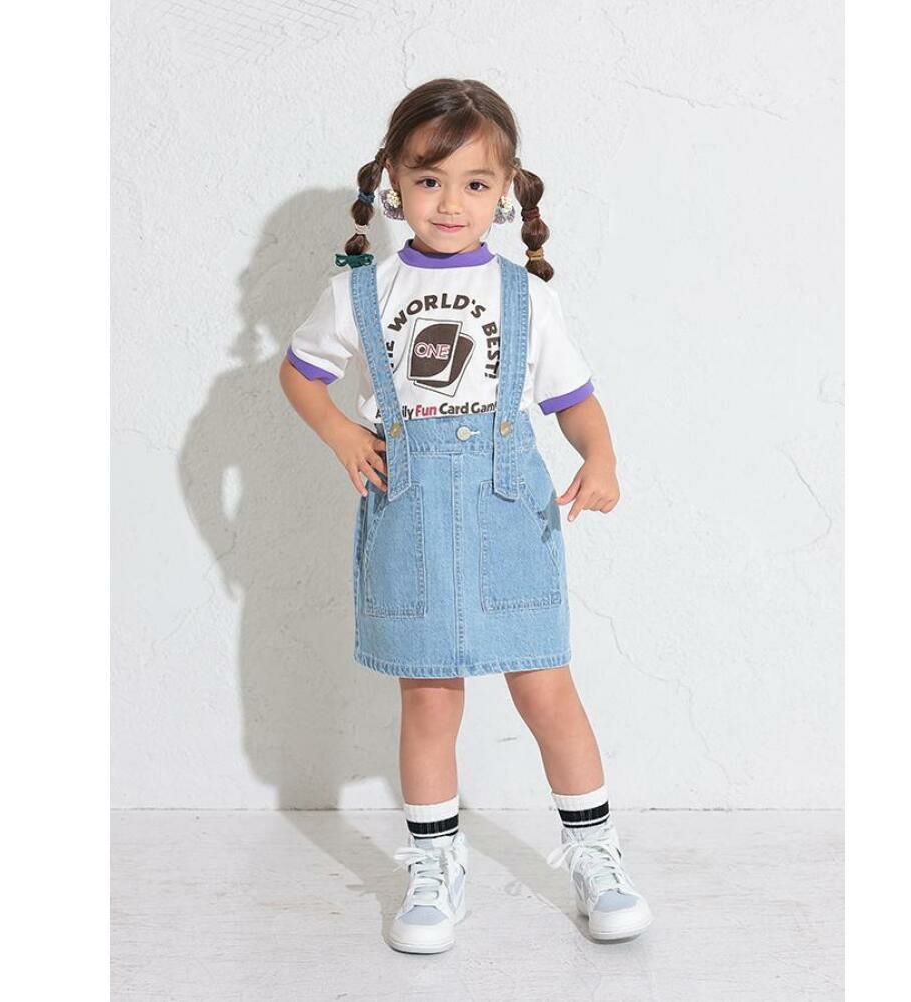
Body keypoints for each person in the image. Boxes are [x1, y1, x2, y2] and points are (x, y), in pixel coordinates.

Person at [278, 77, 652, 954]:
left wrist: (599, 458)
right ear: (394, 183)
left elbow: (574, 401)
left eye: (476, 183)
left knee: (546, 690)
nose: (452, 203)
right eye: (429, 180)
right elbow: (300, 373)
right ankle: (435, 867)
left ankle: (596, 856)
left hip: (508, 509)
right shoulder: (362, 291)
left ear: (507, 189)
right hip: (407, 513)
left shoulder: (526, 296)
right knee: (429, 698)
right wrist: (341, 433)